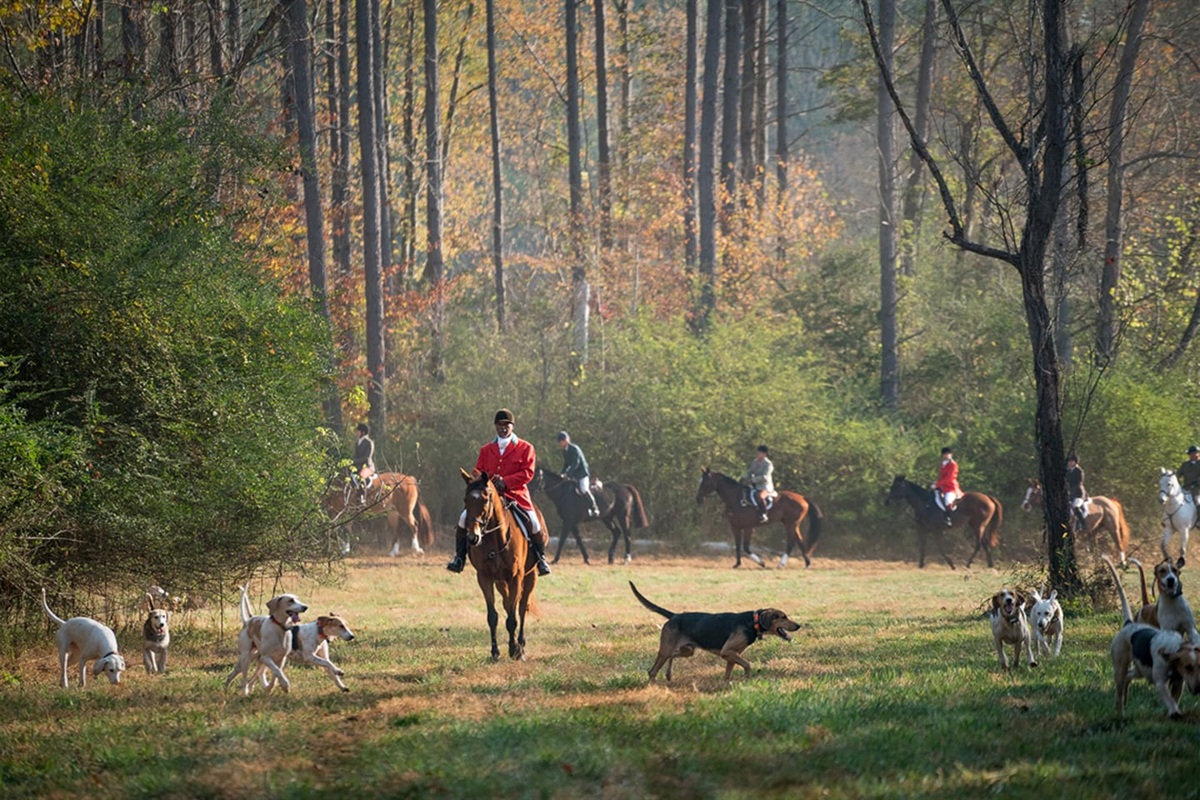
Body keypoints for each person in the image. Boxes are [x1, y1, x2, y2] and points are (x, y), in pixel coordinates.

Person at [447, 408, 551, 576]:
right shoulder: (486, 449)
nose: (503, 428)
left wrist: (506, 482)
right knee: (462, 519)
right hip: (487, 497)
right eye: (500, 425)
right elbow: (478, 470)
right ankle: (459, 558)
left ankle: (541, 559)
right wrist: (475, 479)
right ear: (495, 426)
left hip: (516, 495)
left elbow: (527, 473)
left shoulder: (526, 448)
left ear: (512, 426)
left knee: (534, 522)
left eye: (507, 425)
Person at [558, 431, 600, 518]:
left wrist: (567, 474)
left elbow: (575, 463)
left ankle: (594, 508)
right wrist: (562, 473)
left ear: (565, 440)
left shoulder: (574, 449)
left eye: (560, 442)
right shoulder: (565, 451)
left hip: (582, 473)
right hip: (574, 474)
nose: (560, 444)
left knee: (584, 489)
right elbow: (566, 464)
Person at [740, 445, 775, 524]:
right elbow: (750, 471)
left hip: (765, 486)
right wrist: (744, 477)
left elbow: (765, 477)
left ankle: (764, 514)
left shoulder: (768, 464)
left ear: (765, 454)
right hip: (755, 485)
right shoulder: (755, 462)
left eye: (760, 453)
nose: (758, 454)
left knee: (760, 497)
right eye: (758, 452)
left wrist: (752, 480)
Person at [932, 446, 961, 527]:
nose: (947, 455)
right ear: (943, 455)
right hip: (943, 487)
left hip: (951, 487)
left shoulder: (953, 464)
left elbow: (949, 478)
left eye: (948, 454)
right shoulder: (942, 464)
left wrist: (937, 484)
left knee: (947, 500)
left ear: (951, 454)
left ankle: (948, 518)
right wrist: (936, 483)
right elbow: (942, 477)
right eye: (945, 454)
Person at [351, 422, 376, 503]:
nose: (356, 433)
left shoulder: (369, 442)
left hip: (367, 466)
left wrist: (354, 461)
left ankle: (362, 497)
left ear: (363, 432)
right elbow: (356, 455)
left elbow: (367, 458)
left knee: (361, 476)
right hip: (358, 466)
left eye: (358, 431)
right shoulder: (357, 442)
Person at [1066, 453, 1088, 533]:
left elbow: (1078, 484)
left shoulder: (1079, 472)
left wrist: (1070, 492)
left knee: (1075, 507)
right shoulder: (1068, 471)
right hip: (1069, 494)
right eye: (1069, 461)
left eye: (1071, 461)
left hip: (1079, 493)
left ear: (1075, 462)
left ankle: (1082, 524)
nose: (1069, 463)